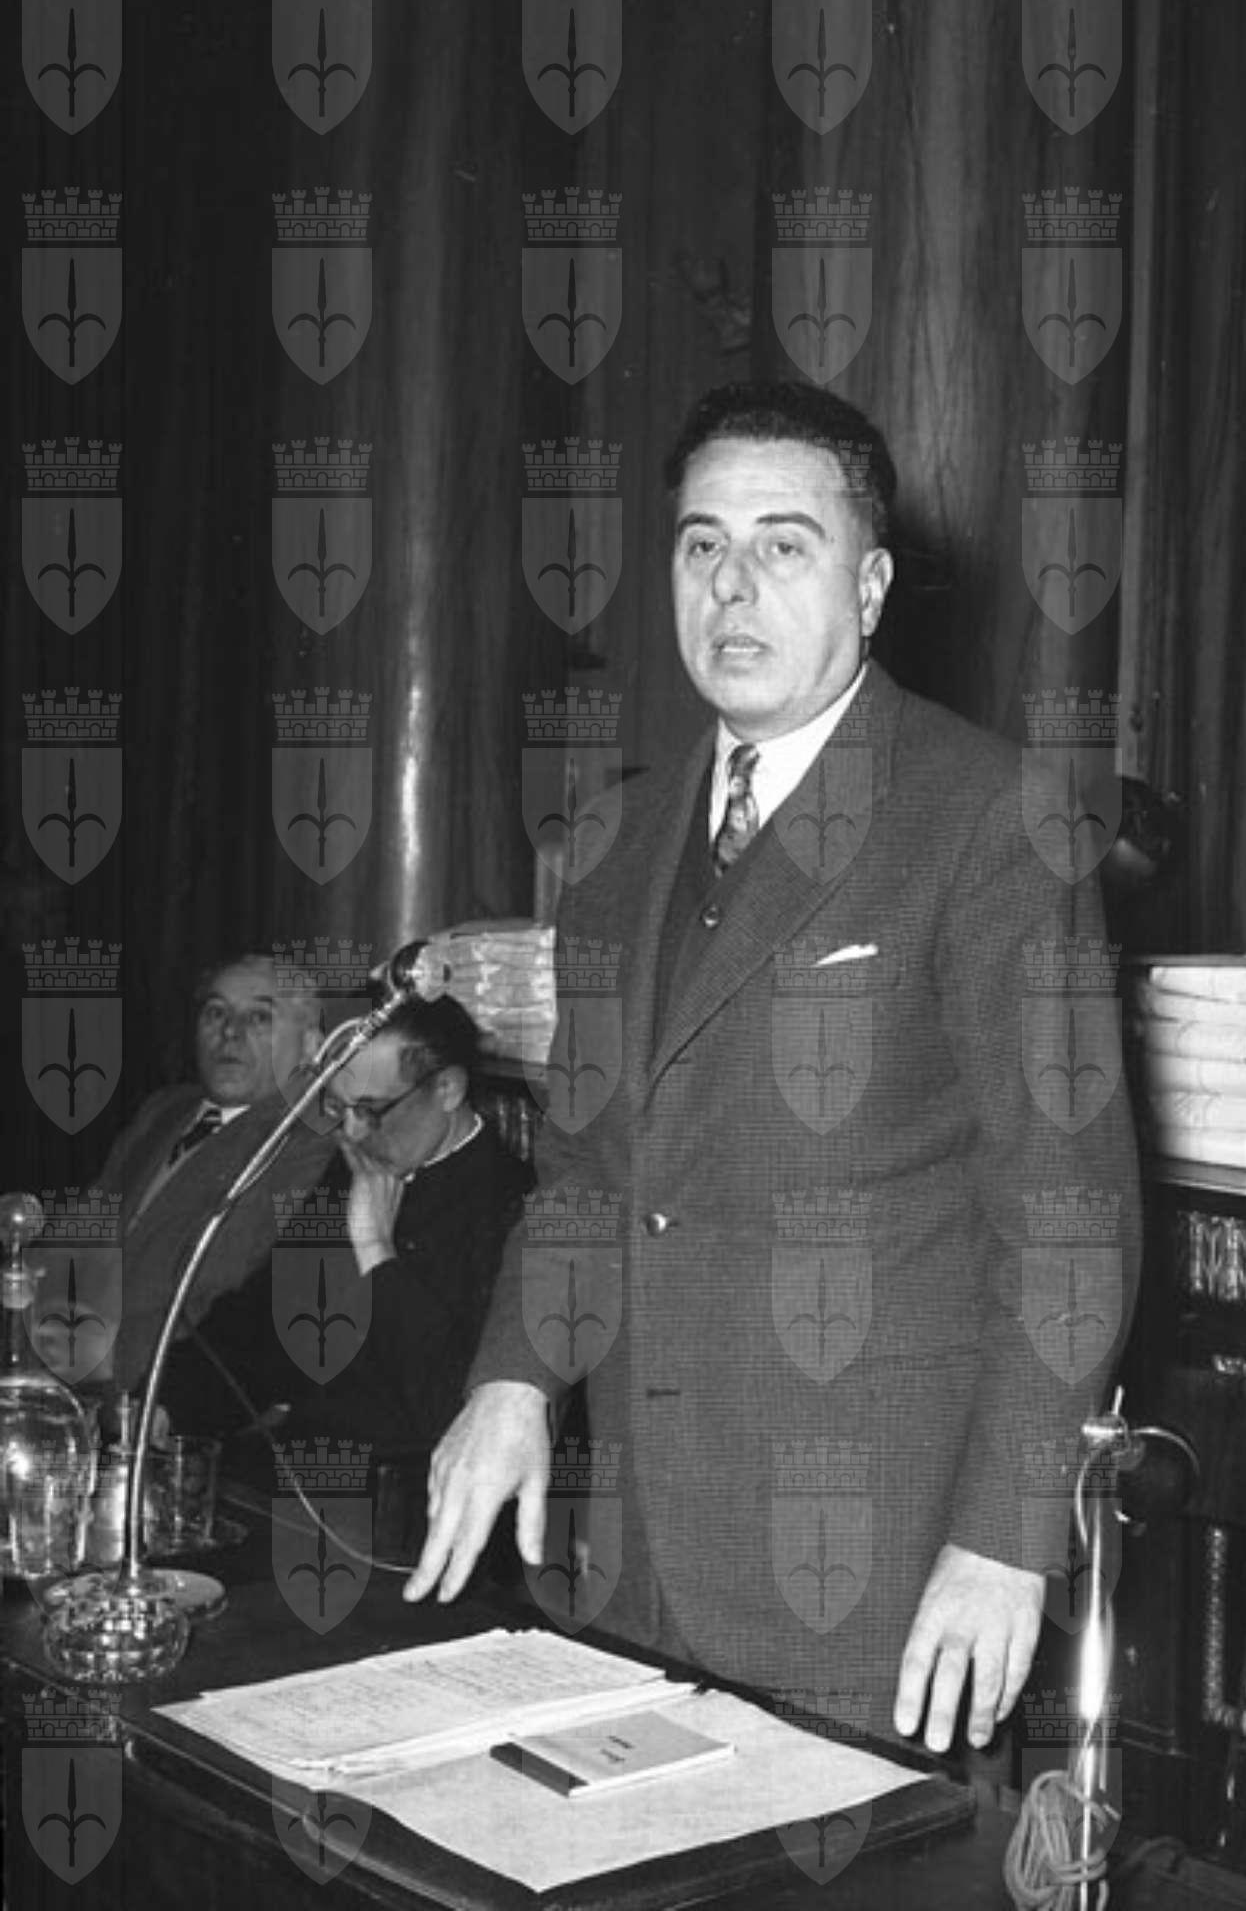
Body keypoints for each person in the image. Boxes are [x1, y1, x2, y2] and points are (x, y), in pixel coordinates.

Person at [407, 380, 1142, 1752]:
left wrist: (1006, 1537)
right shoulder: (615, 845)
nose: (731, 586)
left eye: (783, 545)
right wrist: (514, 1380)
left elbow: (1070, 1218)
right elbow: (587, 1174)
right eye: (702, 544)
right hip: (632, 1554)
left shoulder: (991, 819)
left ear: (870, 585)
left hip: (874, 1570)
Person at [156, 994, 533, 1458]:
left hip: (412, 1482)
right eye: (338, 1109)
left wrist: (376, 1251)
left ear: (447, 1089)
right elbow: (263, 1322)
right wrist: (171, 1401)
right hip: (302, 1466)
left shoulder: (514, 1204)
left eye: (371, 1110)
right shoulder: (355, 1166)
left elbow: (450, 1409)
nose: (352, 1133)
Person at [85, 953, 333, 1395]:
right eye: (216, 1012)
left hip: (157, 1387)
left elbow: (218, 1293)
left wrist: (97, 1362)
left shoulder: (308, 1143)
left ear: (311, 1045)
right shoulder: (164, 1110)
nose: (230, 1032)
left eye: (259, 1017)